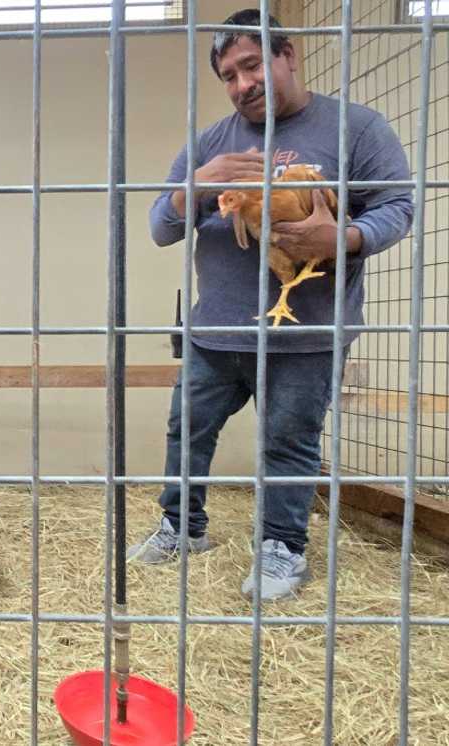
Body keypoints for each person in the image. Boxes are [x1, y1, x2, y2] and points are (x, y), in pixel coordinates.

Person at [127, 9, 413, 601]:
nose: (241, 85)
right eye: (228, 76)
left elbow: (398, 206)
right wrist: (200, 182)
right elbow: (160, 225)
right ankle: (182, 527)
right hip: (218, 331)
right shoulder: (211, 144)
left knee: (290, 441)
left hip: (307, 334)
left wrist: (347, 236)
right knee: (187, 432)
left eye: (252, 65)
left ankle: (281, 548)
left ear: (289, 55)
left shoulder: (356, 130)